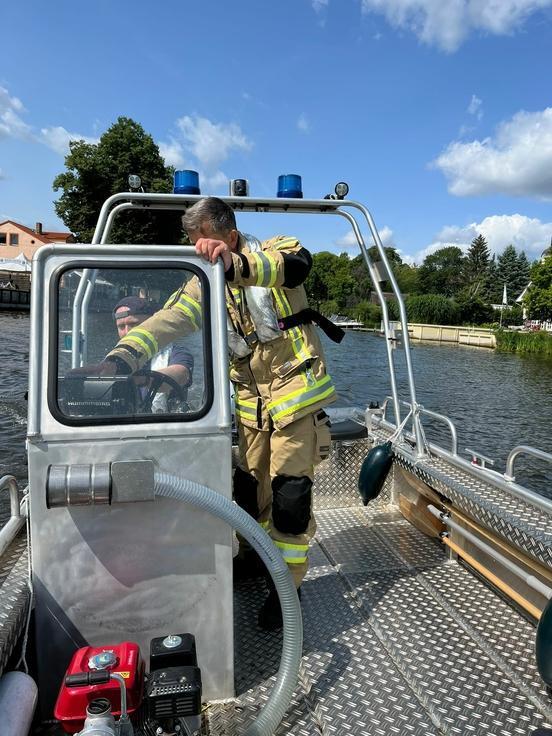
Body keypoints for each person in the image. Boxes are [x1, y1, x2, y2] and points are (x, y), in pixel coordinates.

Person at [103, 198, 340, 629]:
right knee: (250, 492)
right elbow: (169, 319)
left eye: (206, 244)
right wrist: (119, 360)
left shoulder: (274, 251)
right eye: (193, 245)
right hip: (250, 406)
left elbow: (295, 265)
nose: (200, 254)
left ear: (230, 237)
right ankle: (252, 558)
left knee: (289, 498)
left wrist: (235, 265)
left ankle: (288, 589)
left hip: (296, 399)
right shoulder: (203, 281)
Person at [112, 296, 194, 413]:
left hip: (167, 426)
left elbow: (181, 374)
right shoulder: (114, 360)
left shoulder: (177, 352)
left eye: (134, 324)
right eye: (121, 327)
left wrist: (141, 379)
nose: (127, 332)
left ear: (153, 324)